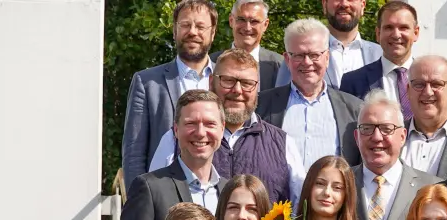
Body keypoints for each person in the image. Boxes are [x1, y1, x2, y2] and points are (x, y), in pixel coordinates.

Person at [147, 50, 307, 205]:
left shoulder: (283, 144)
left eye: (247, 83)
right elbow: (155, 197)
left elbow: (301, 209)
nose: (237, 90)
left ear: (257, 88)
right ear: (211, 82)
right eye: (228, 80)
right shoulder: (177, 138)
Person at [112, 91, 224, 220]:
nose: (201, 133)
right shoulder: (149, 188)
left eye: (210, 124)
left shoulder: (229, 191)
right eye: (191, 123)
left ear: (222, 129)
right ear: (176, 130)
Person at [121, 0, 217, 183]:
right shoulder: (147, 82)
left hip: (213, 193)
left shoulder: (224, 81)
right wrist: (138, 203)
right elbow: (134, 154)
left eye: (200, 26)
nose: (192, 32)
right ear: (174, 30)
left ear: (212, 33)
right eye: (185, 25)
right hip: (163, 193)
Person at [258, 19, 362, 169]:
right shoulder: (261, 105)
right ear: (287, 59)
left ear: (327, 58)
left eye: (314, 55)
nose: (307, 62)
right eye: (299, 55)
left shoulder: (353, 110)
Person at [353, 91, 441, 220]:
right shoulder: (339, 183)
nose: (377, 137)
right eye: (367, 128)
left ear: (402, 136)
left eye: (387, 129)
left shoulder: (432, 188)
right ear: (356, 137)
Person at [337, 0, 420, 115]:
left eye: (403, 27)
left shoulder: (434, 80)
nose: (396, 35)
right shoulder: (352, 82)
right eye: (389, 27)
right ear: (378, 33)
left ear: (416, 33)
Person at [400, 55, 447, 180]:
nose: (427, 92)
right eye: (419, 84)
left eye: (436, 84)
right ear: (408, 90)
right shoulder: (392, 135)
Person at [296, 155, 363, 220]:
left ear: (346, 195)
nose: (327, 192)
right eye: (320, 183)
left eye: (337, 187)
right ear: (308, 186)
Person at [321, 0, 381, 89]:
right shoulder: (304, 54)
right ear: (324, 4)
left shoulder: (381, 54)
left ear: (363, 6)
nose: (344, 4)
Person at [230, 0, 287, 89]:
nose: (247, 28)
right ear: (231, 21)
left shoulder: (281, 66)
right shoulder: (212, 64)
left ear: (265, 25)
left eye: (254, 21)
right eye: (241, 19)